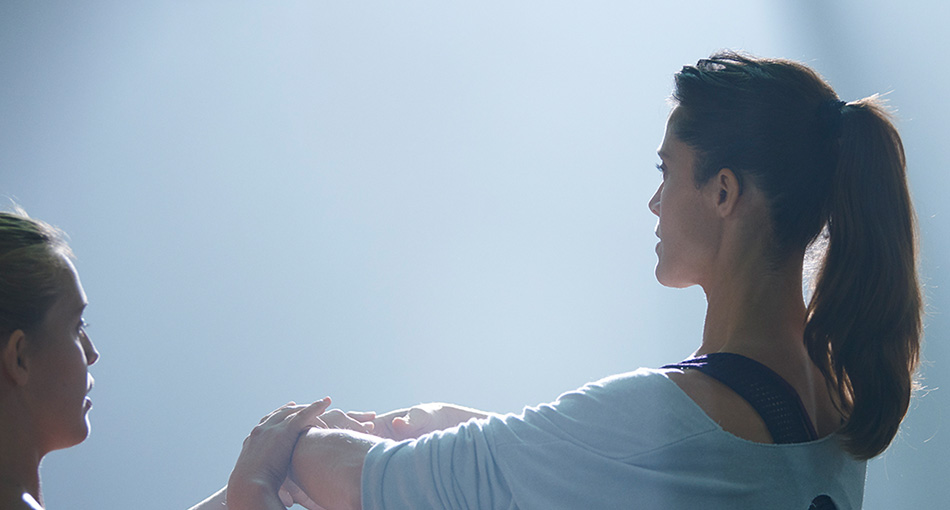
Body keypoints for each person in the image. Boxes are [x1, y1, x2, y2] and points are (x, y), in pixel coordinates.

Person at [235, 51, 922, 509]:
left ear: (722, 192)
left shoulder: (664, 414)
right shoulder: (838, 409)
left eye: (665, 171)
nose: (654, 202)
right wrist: (445, 424)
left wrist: (268, 460)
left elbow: (364, 480)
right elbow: (615, 459)